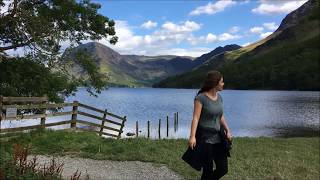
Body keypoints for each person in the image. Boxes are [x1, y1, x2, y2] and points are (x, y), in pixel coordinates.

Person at [188, 70, 232, 180]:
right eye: (221, 82)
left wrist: (228, 130)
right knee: (207, 170)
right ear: (215, 83)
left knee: (223, 169)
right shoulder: (201, 98)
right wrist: (192, 136)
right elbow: (196, 118)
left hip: (218, 138)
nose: (223, 84)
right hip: (205, 139)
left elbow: (220, 116)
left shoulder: (219, 97)